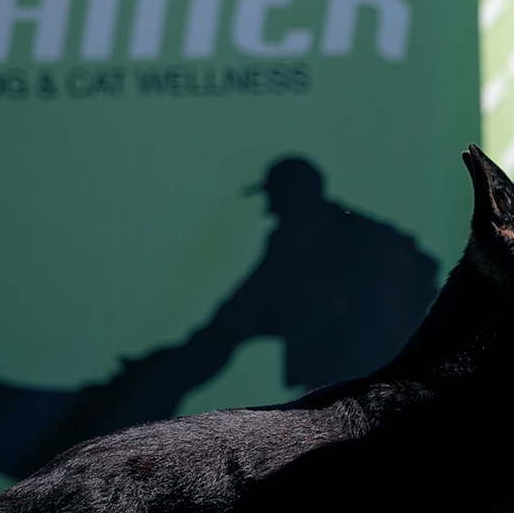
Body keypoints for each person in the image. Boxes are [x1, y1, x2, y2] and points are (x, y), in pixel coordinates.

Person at [161, 154, 441, 393]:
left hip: (358, 369)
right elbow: (245, 305)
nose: (269, 210)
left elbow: (246, 302)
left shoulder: (314, 237)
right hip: (350, 370)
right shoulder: (331, 231)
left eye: (274, 198)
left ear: (289, 197)